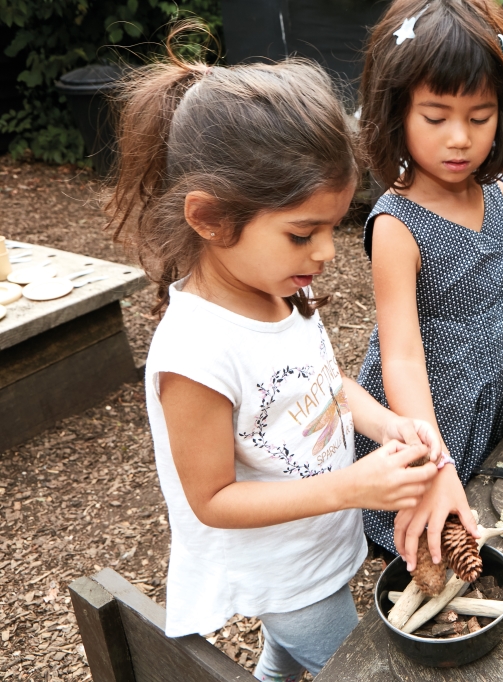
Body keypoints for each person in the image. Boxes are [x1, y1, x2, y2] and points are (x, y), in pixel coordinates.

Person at [106, 31, 445, 681]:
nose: (325, 254)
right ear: (209, 218)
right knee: (364, 669)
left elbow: (319, 384)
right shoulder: (195, 352)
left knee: (281, 664)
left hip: (319, 542)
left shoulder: (277, 286)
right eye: (302, 233)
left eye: (333, 227)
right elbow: (212, 500)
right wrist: (352, 485)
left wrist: (382, 422)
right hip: (283, 576)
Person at [355, 0, 503, 570]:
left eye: (478, 118)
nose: (459, 138)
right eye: (436, 117)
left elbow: (497, 286)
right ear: (396, 113)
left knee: (484, 493)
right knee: (429, 534)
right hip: (431, 405)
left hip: (490, 386)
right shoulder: (396, 226)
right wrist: (434, 461)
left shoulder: (497, 198)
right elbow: (400, 358)